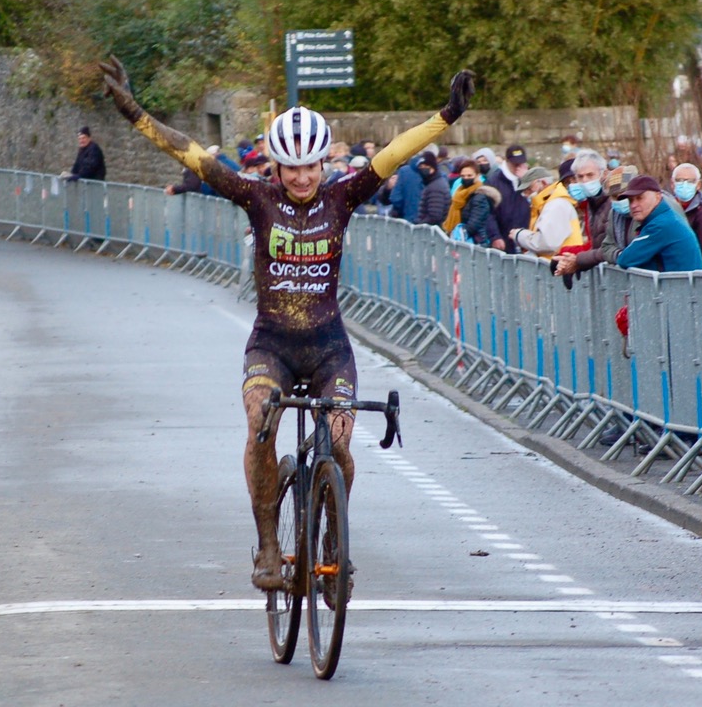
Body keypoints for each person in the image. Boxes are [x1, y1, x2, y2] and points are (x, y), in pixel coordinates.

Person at [99, 56, 475, 591]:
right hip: (271, 346)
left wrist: (447, 115)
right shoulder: (257, 198)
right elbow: (192, 153)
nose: (301, 177)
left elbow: (395, 153)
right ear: (274, 169)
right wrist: (134, 112)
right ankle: (270, 546)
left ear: (325, 164)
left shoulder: (343, 196)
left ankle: (332, 542)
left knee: (341, 445)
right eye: (290, 168)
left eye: (311, 167)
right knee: (261, 428)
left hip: (328, 349)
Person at [615, 175, 702, 272]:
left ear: (658, 197)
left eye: (640, 198)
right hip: (683, 285)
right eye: (631, 200)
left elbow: (625, 260)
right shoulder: (666, 217)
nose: (633, 205)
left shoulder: (660, 225)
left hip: (678, 286)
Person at [552, 150, 613, 279]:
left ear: (604, 174)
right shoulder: (591, 204)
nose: (585, 181)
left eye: (590, 175)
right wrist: (570, 258)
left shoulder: (613, 202)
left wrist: (577, 260)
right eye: (580, 177)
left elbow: (609, 247)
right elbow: (595, 245)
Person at [510, 166, 584, 258]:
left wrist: (519, 235)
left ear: (543, 182)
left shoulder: (556, 205)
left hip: (560, 266)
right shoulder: (547, 204)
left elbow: (547, 243)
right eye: (525, 191)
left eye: (529, 189)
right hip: (558, 264)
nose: (526, 194)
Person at [670, 162, 702, 270]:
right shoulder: (668, 207)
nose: (684, 185)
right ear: (672, 184)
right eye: (679, 180)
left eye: (690, 181)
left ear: (698, 185)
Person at [487, 143, 532, 252]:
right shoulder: (494, 181)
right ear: (507, 162)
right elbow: (488, 212)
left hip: (526, 240)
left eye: (521, 164)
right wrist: (495, 236)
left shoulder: (530, 181)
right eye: (515, 164)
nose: (518, 167)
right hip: (504, 239)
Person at [415, 150, 452, 226]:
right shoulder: (433, 184)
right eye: (421, 167)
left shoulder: (435, 188)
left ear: (433, 168)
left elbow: (435, 215)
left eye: (425, 167)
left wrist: (420, 225)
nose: (422, 169)